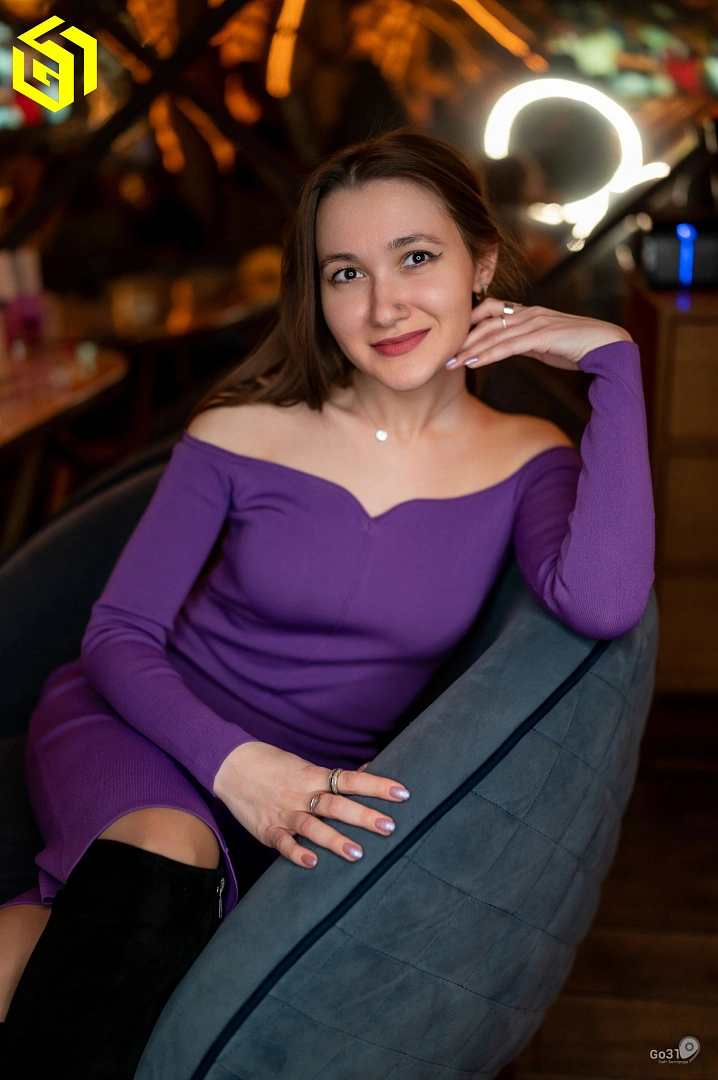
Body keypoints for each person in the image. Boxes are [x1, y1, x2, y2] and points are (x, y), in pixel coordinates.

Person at [0, 128, 655, 1078]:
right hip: (138, 725)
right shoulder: (242, 429)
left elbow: (604, 604)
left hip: (308, 788)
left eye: (416, 258)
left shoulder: (526, 460)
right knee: (163, 853)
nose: (384, 305)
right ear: (318, 294)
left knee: (70, 944)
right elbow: (117, 636)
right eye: (346, 273)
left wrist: (616, 365)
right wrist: (242, 769)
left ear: (482, 264)